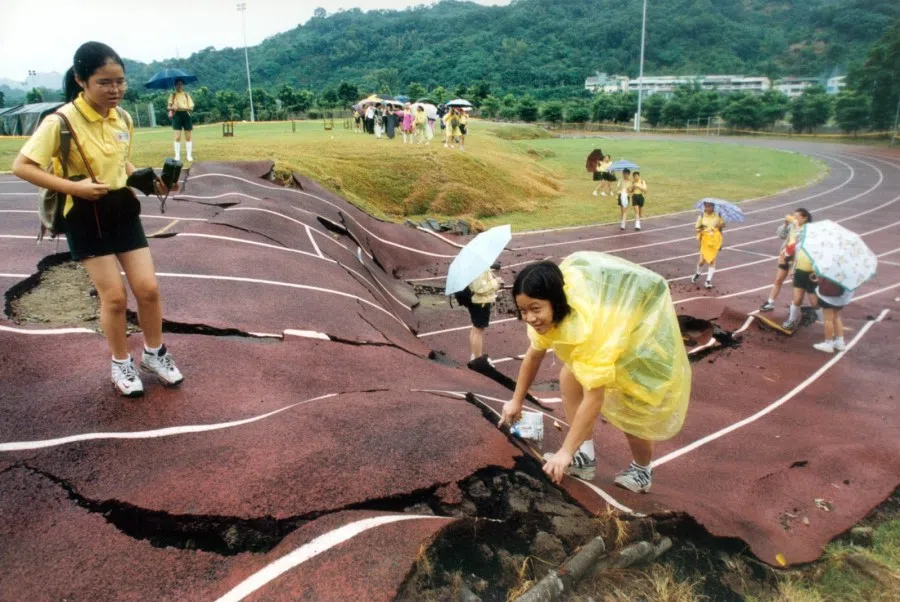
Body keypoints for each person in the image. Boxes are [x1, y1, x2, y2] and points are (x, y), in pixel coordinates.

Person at [11, 41, 184, 398]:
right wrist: (74, 189)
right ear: (81, 80)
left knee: (148, 289)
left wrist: (155, 182)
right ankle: (121, 362)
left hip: (121, 209)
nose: (115, 90)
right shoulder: (59, 122)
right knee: (115, 297)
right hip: (84, 216)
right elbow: (21, 166)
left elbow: (122, 164)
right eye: (105, 82)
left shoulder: (123, 117)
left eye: (120, 81)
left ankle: (154, 354)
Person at [499, 253, 691, 492]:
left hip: (639, 345)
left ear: (556, 302)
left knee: (632, 413)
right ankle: (584, 457)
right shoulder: (548, 314)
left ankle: (642, 471)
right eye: (523, 310)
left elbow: (594, 398)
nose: (529, 318)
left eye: (535, 309)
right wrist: (516, 400)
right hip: (610, 326)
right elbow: (534, 354)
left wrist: (564, 452)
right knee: (569, 377)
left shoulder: (588, 334)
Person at [760, 209, 810, 312]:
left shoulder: (807, 230)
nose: (795, 219)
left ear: (804, 218)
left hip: (797, 260)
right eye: (794, 216)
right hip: (785, 256)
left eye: (797, 217)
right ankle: (770, 302)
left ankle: (794, 306)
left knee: (796, 285)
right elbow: (780, 235)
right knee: (778, 279)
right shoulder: (792, 226)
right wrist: (785, 224)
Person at [782, 219, 823, 331]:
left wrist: (817, 273)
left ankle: (826, 323)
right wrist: (792, 269)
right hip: (799, 274)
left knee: (814, 302)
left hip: (812, 276)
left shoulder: (819, 247)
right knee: (797, 299)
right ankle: (791, 320)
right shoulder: (799, 245)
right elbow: (794, 258)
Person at [465, 268, 502, 361]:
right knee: (478, 330)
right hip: (480, 302)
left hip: (478, 301)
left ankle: (475, 355)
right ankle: (478, 360)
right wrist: (496, 282)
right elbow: (480, 289)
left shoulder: (479, 266)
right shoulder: (479, 269)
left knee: (476, 328)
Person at [812, 276, 852, 353]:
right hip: (840, 295)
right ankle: (840, 342)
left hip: (827, 294)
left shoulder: (829, 265)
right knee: (836, 317)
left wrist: (818, 278)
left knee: (827, 319)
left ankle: (828, 343)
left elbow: (822, 276)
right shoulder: (846, 268)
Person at [691, 202, 726, 289]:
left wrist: (718, 225)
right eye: (706, 206)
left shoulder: (718, 215)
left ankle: (708, 281)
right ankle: (698, 273)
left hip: (714, 240)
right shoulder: (702, 216)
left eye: (709, 206)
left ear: (713, 207)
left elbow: (723, 226)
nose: (707, 208)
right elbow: (697, 227)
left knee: (712, 261)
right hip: (705, 240)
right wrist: (702, 230)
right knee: (702, 261)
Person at [168, 78, 195, 162]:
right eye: (177, 84)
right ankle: (177, 156)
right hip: (177, 116)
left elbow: (191, 108)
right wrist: (173, 107)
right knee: (177, 137)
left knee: (188, 137)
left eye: (180, 84)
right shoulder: (172, 95)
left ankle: (189, 155)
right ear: (175, 85)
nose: (179, 86)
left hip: (186, 115)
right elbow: (168, 107)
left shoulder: (186, 95)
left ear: (182, 85)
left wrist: (182, 107)